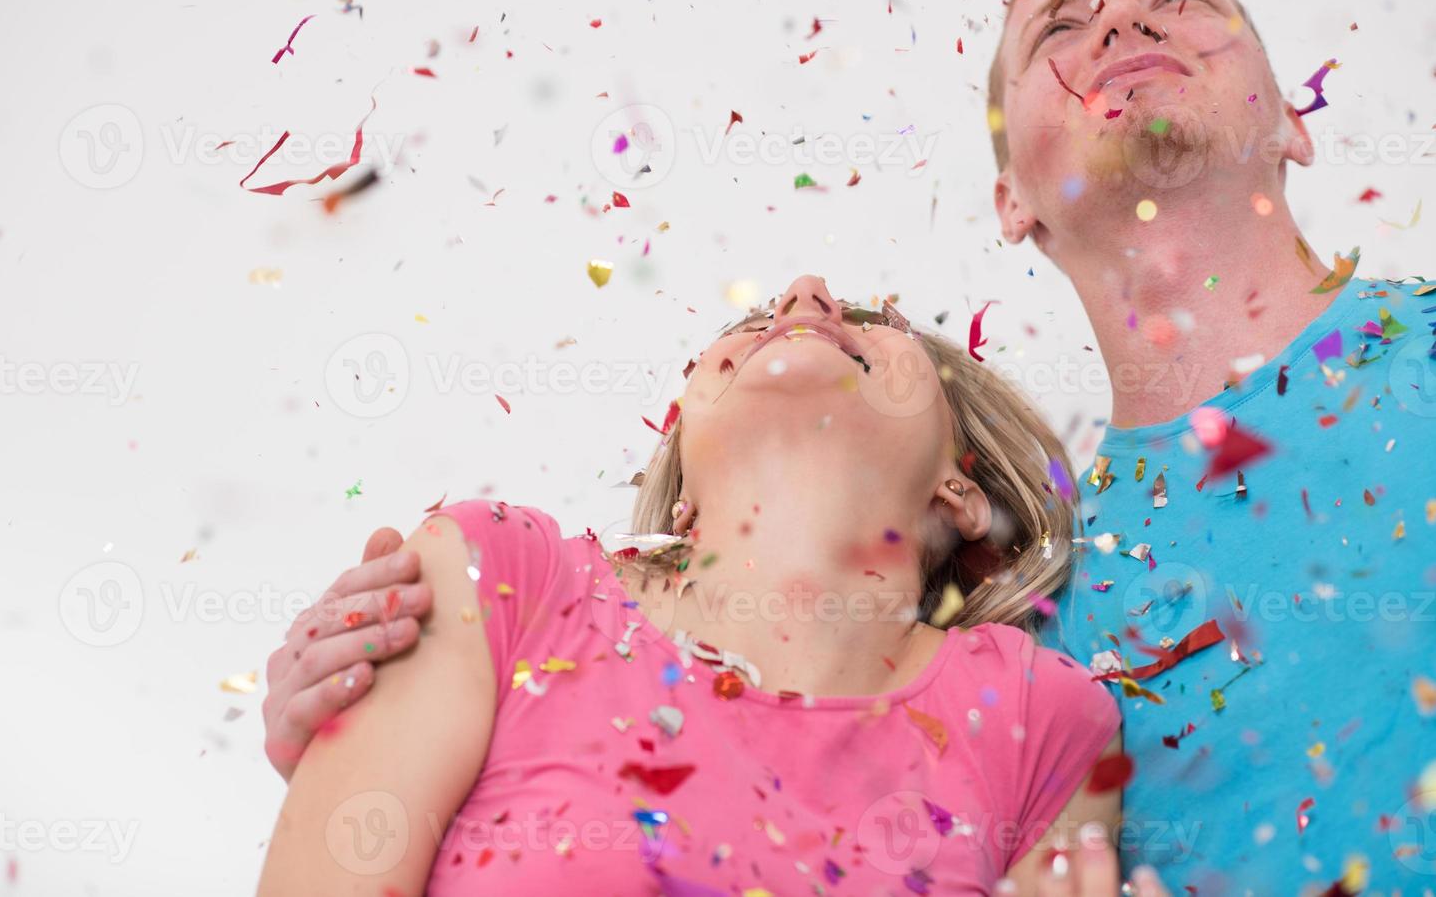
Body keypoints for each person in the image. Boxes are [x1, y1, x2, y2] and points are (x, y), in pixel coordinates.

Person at [257, 275, 1158, 895]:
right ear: (682, 483)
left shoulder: (1038, 721)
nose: (803, 296)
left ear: (958, 493)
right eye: (757, 315)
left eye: (859, 318)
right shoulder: (497, 576)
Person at [987, 0, 1434, 892]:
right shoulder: (1023, 632)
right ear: (1010, 198)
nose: (1118, 16)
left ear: (1288, 120)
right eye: (1056, 27)